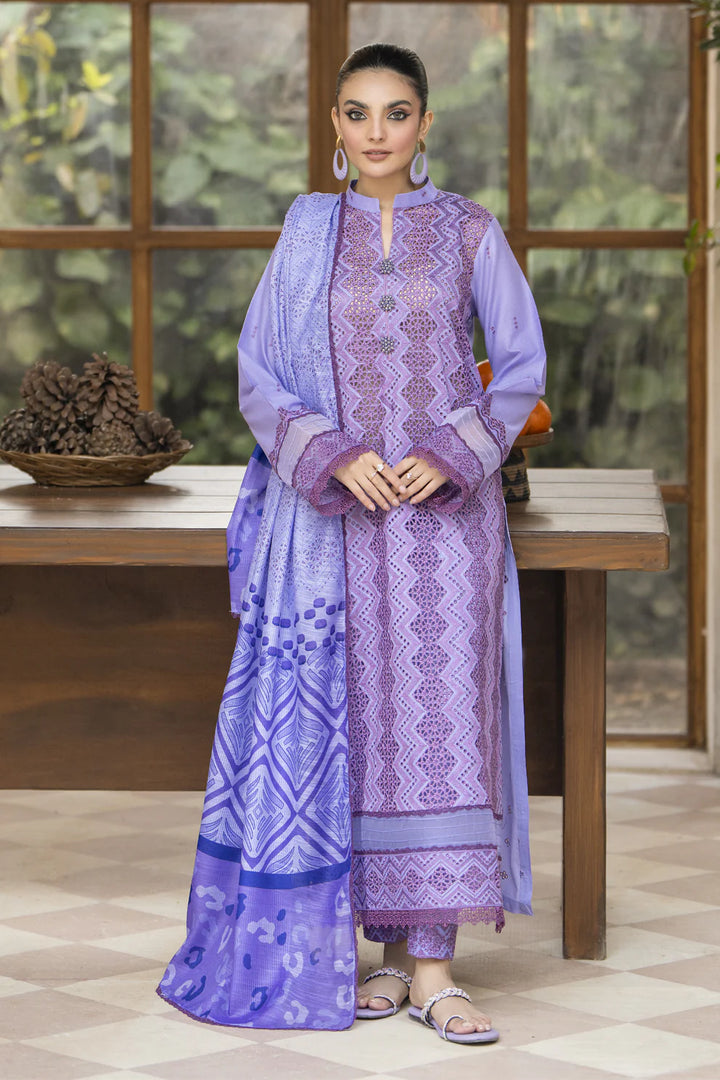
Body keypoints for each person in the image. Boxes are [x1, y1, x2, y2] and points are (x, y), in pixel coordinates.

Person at [157, 42, 546, 1045]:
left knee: (440, 729)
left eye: (397, 113)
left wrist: (452, 455)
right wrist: (331, 455)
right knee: (360, 731)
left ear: (425, 124)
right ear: (335, 125)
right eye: (359, 113)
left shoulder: (468, 230)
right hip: (336, 522)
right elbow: (257, 372)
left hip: (443, 523)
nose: (378, 132)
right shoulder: (304, 234)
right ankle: (381, 957)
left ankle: (436, 969)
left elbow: (520, 366)